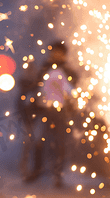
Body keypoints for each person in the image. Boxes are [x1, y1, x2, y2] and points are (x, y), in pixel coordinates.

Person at [17, 42, 76, 187]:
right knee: (38, 141)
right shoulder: (43, 69)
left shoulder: (68, 71)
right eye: (53, 52)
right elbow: (34, 86)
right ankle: (37, 170)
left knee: (60, 144)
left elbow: (73, 90)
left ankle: (58, 175)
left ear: (64, 55)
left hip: (61, 112)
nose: (55, 55)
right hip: (43, 111)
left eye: (58, 52)